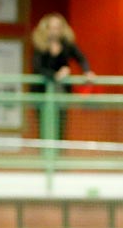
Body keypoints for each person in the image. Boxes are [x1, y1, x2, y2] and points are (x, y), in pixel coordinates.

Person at [29, 13, 94, 142]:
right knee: (44, 126)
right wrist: (56, 75)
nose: (55, 31)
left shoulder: (67, 45)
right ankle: (46, 158)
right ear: (45, 29)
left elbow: (81, 58)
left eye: (58, 27)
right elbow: (37, 67)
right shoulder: (40, 46)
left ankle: (58, 157)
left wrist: (87, 71)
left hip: (61, 92)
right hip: (41, 93)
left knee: (60, 126)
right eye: (51, 27)